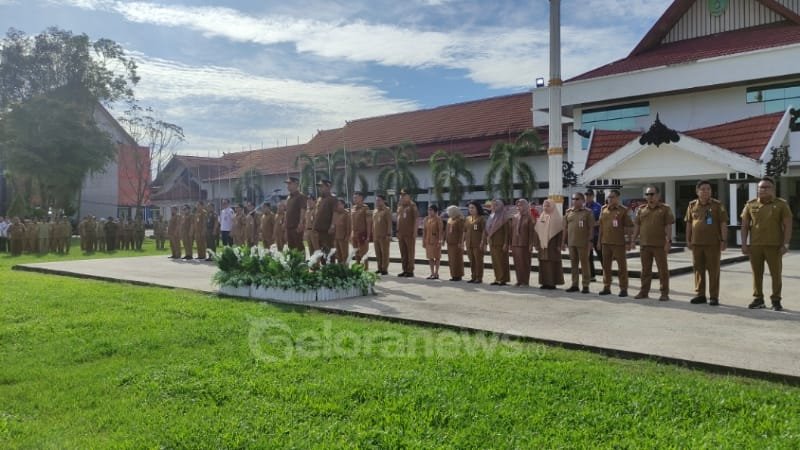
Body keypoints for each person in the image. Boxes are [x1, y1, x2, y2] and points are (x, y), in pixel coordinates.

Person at [740, 176, 793, 311]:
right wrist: (744, 244)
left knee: (776, 274)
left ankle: (776, 300)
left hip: (774, 246)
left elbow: (788, 225)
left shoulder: (781, 204)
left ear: (773, 189)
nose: (763, 190)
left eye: (766, 187)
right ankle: (758, 299)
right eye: (761, 187)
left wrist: (785, 244)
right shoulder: (750, 204)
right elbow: (745, 226)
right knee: (756, 274)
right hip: (755, 246)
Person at [685, 180, 728, 306]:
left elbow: (723, 223)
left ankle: (714, 296)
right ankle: (700, 295)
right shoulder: (692, 205)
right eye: (703, 189)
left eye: (708, 189)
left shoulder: (717, 205)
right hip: (696, 243)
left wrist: (724, 240)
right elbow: (688, 223)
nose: (706, 191)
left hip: (713, 243)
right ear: (697, 191)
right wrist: (688, 239)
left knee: (713, 270)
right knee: (698, 269)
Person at [632, 185, 675, 301]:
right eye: (647, 194)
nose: (649, 197)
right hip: (645, 245)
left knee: (663, 270)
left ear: (658, 195)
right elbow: (637, 226)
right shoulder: (641, 209)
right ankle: (644, 291)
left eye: (652, 194)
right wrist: (633, 240)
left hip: (660, 245)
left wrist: (668, 241)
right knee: (645, 270)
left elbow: (668, 226)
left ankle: (664, 293)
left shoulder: (665, 209)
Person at [597, 190, 633, 297]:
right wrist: (599, 241)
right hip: (606, 242)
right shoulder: (604, 209)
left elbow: (628, 227)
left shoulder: (623, 210)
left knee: (622, 267)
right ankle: (606, 286)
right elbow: (601, 226)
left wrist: (628, 242)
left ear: (617, 198)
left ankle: (623, 288)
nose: (610, 199)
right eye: (609, 197)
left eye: (612, 197)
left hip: (619, 243)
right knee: (606, 266)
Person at [563, 192, 595, 294]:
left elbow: (591, 228)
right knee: (574, 265)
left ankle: (585, 285)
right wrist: (563, 242)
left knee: (585, 264)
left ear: (582, 200)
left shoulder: (587, 212)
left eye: (577, 199)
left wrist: (590, 241)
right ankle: (574, 284)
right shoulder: (568, 212)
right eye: (573, 199)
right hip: (571, 243)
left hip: (583, 243)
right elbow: (565, 228)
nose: (574, 201)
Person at [534, 199, 565, 290]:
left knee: (551, 264)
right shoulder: (542, 216)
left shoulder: (557, 218)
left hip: (553, 246)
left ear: (553, 206)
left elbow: (560, 233)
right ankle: (544, 282)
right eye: (544, 206)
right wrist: (536, 244)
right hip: (542, 246)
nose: (546, 208)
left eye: (548, 206)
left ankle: (552, 283)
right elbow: (537, 231)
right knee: (543, 263)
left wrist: (560, 244)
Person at [486, 198, 511, 286]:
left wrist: (506, 243)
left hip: (501, 243)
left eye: (496, 205)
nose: (494, 206)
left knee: (502, 261)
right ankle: (497, 278)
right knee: (495, 261)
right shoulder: (491, 216)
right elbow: (488, 229)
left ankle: (503, 279)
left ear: (501, 206)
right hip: (492, 242)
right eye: (493, 205)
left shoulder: (504, 216)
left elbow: (507, 232)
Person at [511, 199, 536, 287]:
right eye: (518, 205)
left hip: (524, 244)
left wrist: (531, 244)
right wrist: (511, 243)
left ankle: (525, 281)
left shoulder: (530, 217)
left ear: (526, 206)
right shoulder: (514, 217)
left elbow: (532, 232)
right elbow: (512, 231)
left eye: (521, 205)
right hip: (515, 243)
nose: (519, 207)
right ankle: (519, 280)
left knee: (524, 263)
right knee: (517, 263)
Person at [396, 189, 419, 277]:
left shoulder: (412, 206)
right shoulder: (400, 206)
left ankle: (410, 270)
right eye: (401, 196)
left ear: (408, 196)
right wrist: (397, 231)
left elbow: (416, 219)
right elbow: (398, 219)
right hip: (401, 233)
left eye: (403, 195)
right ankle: (404, 269)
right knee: (403, 252)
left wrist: (415, 231)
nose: (401, 197)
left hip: (409, 233)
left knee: (410, 252)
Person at [465, 201, 486, 284]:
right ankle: (473, 276)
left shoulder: (481, 219)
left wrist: (483, 242)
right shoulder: (467, 218)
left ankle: (479, 277)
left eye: (473, 207)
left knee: (478, 261)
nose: (471, 209)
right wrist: (463, 241)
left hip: (478, 243)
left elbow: (484, 231)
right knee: (472, 261)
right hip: (469, 243)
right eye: (470, 208)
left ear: (477, 208)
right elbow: (465, 230)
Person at [285, 177, 308, 251]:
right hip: (289, 226)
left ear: (296, 184)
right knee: (291, 247)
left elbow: (303, 209)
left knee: (299, 246)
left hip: (296, 226)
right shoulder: (288, 197)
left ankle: (302, 262)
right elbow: (287, 211)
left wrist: (301, 223)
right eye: (287, 184)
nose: (288, 186)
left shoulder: (301, 196)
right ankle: (294, 262)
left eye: (290, 183)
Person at [314, 179, 337, 255]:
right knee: (321, 252)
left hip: (327, 230)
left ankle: (330, 266)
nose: (320, 188)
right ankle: (324, 266)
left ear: (328, 187)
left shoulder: (332, 198)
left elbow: (335, 213)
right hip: (319, 230)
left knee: (328, 252)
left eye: (322, 186)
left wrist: (332, 226)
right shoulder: (320, 199)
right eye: (319, 187)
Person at [350, 191, 372, 268]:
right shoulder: (353, 208)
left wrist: (368, 236)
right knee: (356, 253)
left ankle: (365, 269)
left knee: (363, 253)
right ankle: (358, 268)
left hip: (362, 234)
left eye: (356, 197)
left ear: (361, 198)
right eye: (354, 198)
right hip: (354, 234)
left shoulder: (366, 208)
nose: (354, 199)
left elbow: (369, 223)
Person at [585, 189, 602, 282]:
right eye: (586, 195)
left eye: (589, 195)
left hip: (596, 235)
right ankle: (592, 275)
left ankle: (607, 275)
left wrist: (592, 224)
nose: (588, 197)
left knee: (601, 255)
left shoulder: (598, 207)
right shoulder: (583, 207)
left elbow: (601, 221)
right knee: (589, 256)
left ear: (593, 196)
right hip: (587, 236)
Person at [372, 194, 392, 275]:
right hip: (376, 235)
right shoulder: (375, 211)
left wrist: (388, 234)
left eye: (379, 200)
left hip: (384, 236)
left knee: (385, 253)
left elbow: (389, 223)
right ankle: (379, 268)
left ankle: (384, 269)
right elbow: (373, 223)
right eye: (376, 200)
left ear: (383, 201)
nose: (377, 202)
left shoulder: (387, 210)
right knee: (378, 253)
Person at [445, 205, 465, 282]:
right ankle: (453, 274)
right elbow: (447, 231)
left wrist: (461, 241)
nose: (448, 213)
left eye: (449, 211)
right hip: (450, 243)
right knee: (451, 260)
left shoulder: (459, 220)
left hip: (457, 243)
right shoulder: (450, 219)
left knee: (457, 259)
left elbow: (461, 232)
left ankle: (458, 275)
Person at [423, 204, 443, 280]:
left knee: (437, 257)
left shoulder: (438, 219)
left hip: (436, 241)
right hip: (428, 241)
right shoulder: (426, 219)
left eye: (431, 210)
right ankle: (432, 273)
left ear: (435, 211)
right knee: (430, 257)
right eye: (428, 210)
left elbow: (441, 231)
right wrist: (423, 241)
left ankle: (436, 273)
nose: (429, 211)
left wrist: (440, 241)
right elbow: (424, 231)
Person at [333, 199, 351, 264]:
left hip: (343, 238)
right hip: (336, 237)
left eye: (340, 204)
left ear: (343, 205)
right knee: (338, 255)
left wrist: (347, 236)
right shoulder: (336, 214)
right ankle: (340, 269)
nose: (338, 206)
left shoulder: (346, 213)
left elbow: (348, 226)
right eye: (337, 204)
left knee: (344, 255)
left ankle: (346, 269)